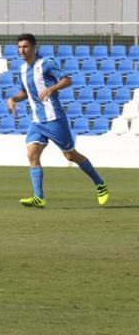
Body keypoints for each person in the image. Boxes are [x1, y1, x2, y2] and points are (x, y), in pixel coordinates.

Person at [6, 33, 109, 208]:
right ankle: (38, 197)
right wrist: (13, 99)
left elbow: (67, 80)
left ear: (33, 48)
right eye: (19, 47)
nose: (22, 50)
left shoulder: (46, 63)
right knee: (32, 154)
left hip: (54, 118)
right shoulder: (22, 69)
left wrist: (52, 88)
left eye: (25, 47)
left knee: (71, 155)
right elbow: (25, 92)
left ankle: (100, 184)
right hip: (37, 121)